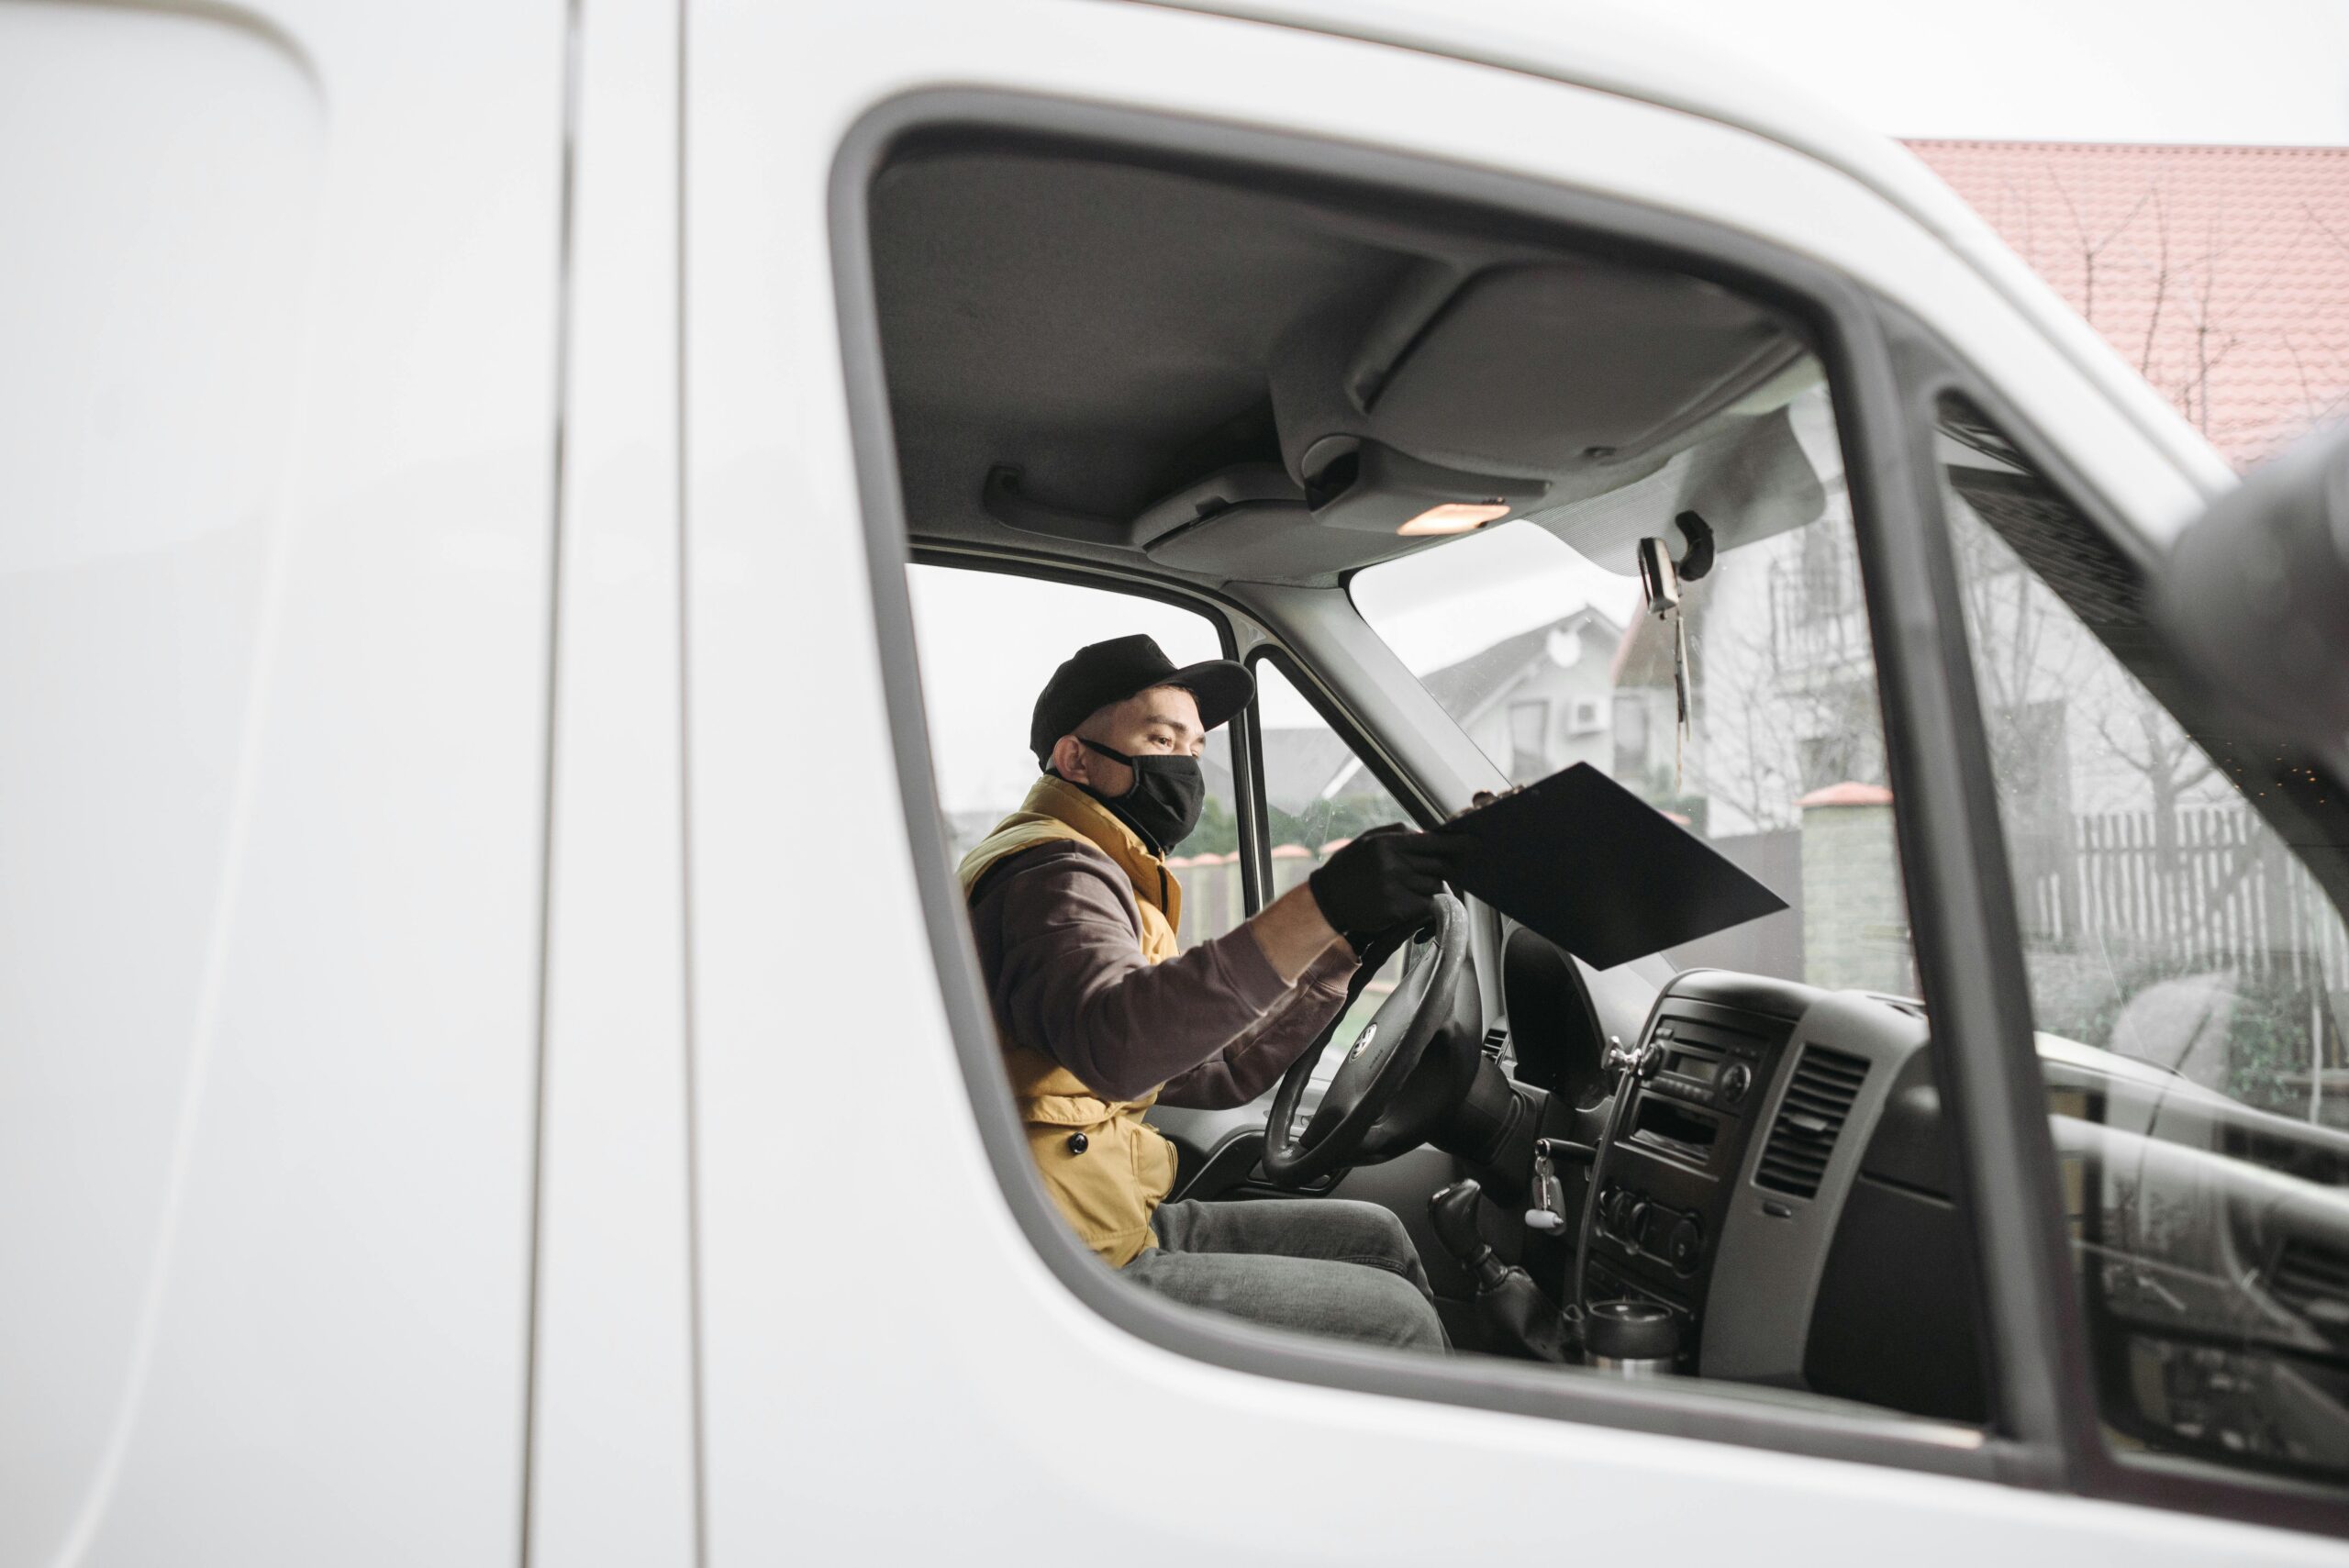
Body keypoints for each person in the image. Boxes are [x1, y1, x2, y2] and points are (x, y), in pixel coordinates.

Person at [959, 634, 1466, 1351]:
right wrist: (1319, 901)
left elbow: (1208, 1064)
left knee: (1377, 1238)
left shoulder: (1100, 867)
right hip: (1069, 1255)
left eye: (1195, 749)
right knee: (1400, 1319)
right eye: (1160, 738)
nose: (1185, 765)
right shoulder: (1052, 875)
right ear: (1076, 759)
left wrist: (1339, 945)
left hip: (1103, 1215)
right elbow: (1121, 1041)